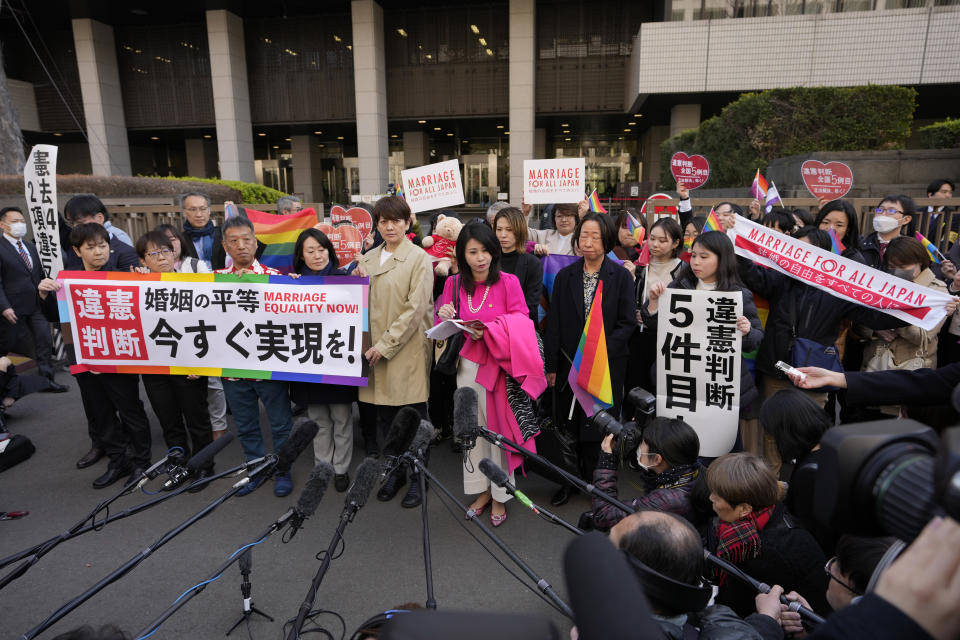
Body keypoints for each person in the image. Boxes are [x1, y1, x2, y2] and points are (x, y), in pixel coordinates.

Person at [437, 223, 545, 527]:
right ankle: (479, 490)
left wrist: (491, 329)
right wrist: (445, 315)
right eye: (473, 252)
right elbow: (440, 325)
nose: (481, 257)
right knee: (472, 430)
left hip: (499, 366)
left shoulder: (509, 281)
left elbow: (523, 321)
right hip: (466, 367)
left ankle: (500, 493)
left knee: (498, 432)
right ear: (463, 254)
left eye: (486, 250)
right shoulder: (454, 284)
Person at [44, 223, 152, 488]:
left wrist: (145, 280)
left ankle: (142, 462)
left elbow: (146, 312)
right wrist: (45, 294)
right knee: (99, 411)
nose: (98, 252)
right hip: (84, 357)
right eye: (90, 248)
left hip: (119, 355)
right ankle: (118, 460)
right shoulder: (67, 281)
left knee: (130, 410)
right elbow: (53, 316)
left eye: (103, 246)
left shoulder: (123, 277)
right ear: (77, 251)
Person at [544, 212, 636, 506]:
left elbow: (627, 324)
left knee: (599, 426)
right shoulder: (565, 276)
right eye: (584, 235)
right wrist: (552, 367)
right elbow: (554, 323)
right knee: (568, 426)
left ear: (607, 240)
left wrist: (598, 351)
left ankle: (599, 487)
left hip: (605, 365)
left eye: (596, 236)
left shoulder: (620, 276)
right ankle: (569, 481)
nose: (588, 242)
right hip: (569, 362)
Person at [355, 196, 433, 507]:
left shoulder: (419, 259)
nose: (390, 226)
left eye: (396, 220)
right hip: (372, 353)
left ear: (407, 222)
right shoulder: (366, 260)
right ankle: (396, 472)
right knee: (386, 421)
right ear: (377, 223)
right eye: (384, 220)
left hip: (404, 352)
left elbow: (414, 312)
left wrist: (384, 346)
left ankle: (419, 478)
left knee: (413, 421)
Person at [613, 510, 786, 640]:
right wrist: (767, 619)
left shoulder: (601, 625)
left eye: (608, 547)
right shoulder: (706, 621)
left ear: (638, 580)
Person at [215, 216, 294, 497]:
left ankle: (283, 470)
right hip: (233, 370)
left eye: (246, 239)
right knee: (247, 426)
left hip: (270, 367)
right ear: (225, 245)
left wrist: (297, 286)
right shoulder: (213, 281)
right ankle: (256, 470)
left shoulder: (276, 278)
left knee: (281, 424)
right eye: (233, 241)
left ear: (256, 242)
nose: (241, 246)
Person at [646, 231, 764, 414]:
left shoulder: (738, 295)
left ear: (722, 259)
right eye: (693, 256)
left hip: (718, 379)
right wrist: (653, 302)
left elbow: (755, 339)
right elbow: (655, 326)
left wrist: (747, 331)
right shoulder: (679, 286)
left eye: (704, 256)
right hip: (681, 376)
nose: (696, 262)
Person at [133, 230, 214, 492]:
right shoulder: (134, 285)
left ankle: (203, 466)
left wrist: (202, 364)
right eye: (153, 254)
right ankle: (178, 462)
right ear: (143, 260)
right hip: (154, 366)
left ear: (175, 252)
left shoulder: (194, 283)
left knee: (197, 418)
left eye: (165, 251)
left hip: (189, 363)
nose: (161, 258)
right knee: (168, 419)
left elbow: (210, 324)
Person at [705, 452, 829, 618]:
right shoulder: (771, 512)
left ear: (744, 509)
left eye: (717, 496)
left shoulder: (758, 550)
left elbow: (735, 608)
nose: (710, 498)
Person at [289, 228, 356, 493]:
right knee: (318, 419)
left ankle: (340, 469)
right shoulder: (292, 283)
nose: (317, 255)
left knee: (341, 417)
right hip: (310, 361)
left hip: (339, 359)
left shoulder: (346, 279)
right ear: (301, 255)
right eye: (310, 250)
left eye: (321, 249)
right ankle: (322, 467)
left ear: (329, 250)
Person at [859, 236, 948, 418]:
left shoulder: (937, 291)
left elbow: (923, 336)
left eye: (904, 266)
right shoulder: (882, 284)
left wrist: (894, 321)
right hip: (875, 367)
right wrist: (876, 329)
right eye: (892, 266)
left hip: (912, 373)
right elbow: (861, 322)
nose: (897, 271)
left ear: (920, 262)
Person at [592, 417, 703, 531]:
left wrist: (606, 462)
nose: (639, 448)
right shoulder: (692, 470)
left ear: (657, 459)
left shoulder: (665, 501)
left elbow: (603, 516)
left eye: (642, 445)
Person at [0, 207, 67, 391]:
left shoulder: (30, 247)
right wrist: (4, 307)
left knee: (44, 340)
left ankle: (47, 381)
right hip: (12, 307)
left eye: (21, 221)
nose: (20, 225)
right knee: (6, 344)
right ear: (2, 225)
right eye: (14, 222)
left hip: (36, 303)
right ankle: (6, 385)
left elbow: (38, 274)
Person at [759, 389, 833, 549]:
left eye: (773, 435)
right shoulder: (833, 445)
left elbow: (809, 528)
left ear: (786, 433)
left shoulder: (809, 473)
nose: (772, 440)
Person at [631, 217, 684, 394]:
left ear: (675, 243)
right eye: (652, 238)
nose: (655, 244)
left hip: (668, 339)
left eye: (662, 241)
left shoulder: (683, 271)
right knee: (636, 387)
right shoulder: (640, 265)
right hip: (638, 336)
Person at [61, 195, 139, 272]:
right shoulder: (74, 242)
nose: (75, 227)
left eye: (81, 223)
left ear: (100, 218)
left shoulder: (125, 251)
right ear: (77, 250)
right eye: (71, 223)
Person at [492, 206, 543, 323]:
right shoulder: (489, 259)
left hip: (519, 327)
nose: (503, 235)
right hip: (490, 325)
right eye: (499, 229)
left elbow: (531, 305)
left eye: (509, 229)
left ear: (519, 230)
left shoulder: (533, 263)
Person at [859, 195, 915, 270]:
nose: (883, 214)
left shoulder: (911, 250)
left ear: (906, 219)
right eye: (880, 210)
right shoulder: (860, 245)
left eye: (891, 211)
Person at [815, 199, 865, 264]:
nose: (831, 228)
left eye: (839, 225)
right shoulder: (805, 245)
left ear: (848, 229)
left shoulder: (854, 259)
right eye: (825, 222)